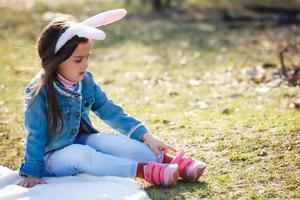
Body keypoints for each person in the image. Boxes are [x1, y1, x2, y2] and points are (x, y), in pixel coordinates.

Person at [17, 9, 207, 188]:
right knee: (81, 154)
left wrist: (145, 136)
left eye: (87, 57)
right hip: (52, 158)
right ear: (56, 60)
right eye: (78, 60)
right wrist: (33, 172)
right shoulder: (38, 91)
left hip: (79, 139)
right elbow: (36, 134)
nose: (85, 64)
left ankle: (171, 163)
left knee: (108, 141)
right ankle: (144, 171)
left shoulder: (86, 80)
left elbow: (108, 109)